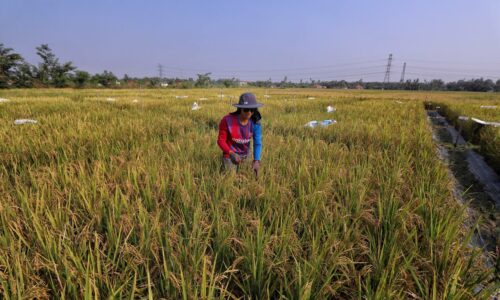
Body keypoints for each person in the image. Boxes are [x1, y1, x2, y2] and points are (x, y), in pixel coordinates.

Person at [217, 92, 263, 177]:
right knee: (230, 178)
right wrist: (231, 153)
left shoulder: (255, 123)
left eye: (252, 110)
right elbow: (221, 141)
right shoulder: (227, 120)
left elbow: (257, 143)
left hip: (245, 154)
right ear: (240, 109)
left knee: (246, 176)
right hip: (230, 154)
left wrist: (256, 160)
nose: (249, 112)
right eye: (246, 109)